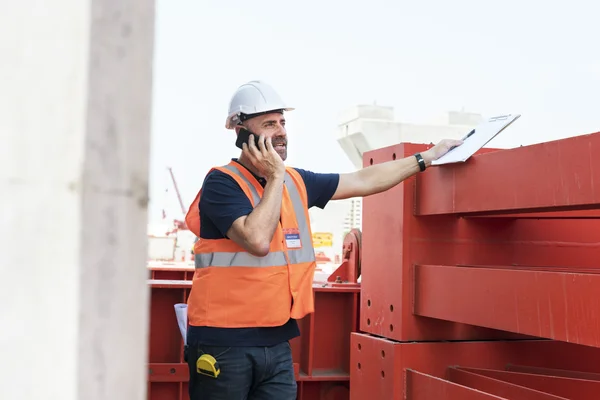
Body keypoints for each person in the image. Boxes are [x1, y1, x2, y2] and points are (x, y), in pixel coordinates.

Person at [183, 80, 462, 400]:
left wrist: (426, 158)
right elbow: (257, 240)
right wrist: (274, 175)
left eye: (283, 123)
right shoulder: (222, 183)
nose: (281, 132)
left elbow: (362, 179)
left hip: (277, 343)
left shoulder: (295, 181)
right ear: (242, 133)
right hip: (223, 345)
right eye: (269, 124)